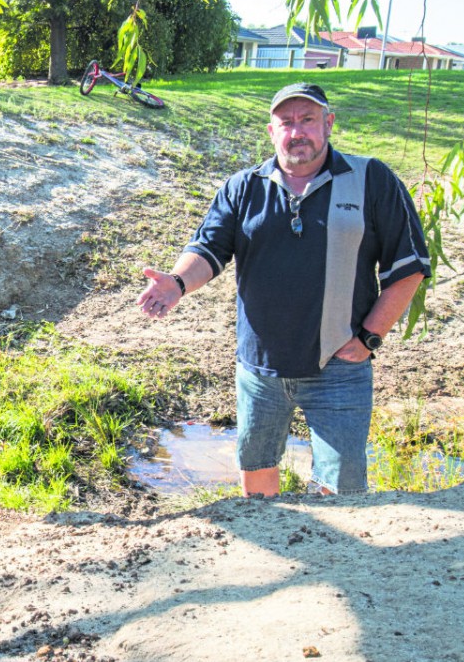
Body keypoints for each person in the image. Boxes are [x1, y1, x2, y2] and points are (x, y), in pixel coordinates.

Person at [137, 82, 430, 496]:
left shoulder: (371, 179)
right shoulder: (244, 186)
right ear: (272, 132)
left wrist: (369, 337)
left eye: (307, 119)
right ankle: (266, 537)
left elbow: (409, 267)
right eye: (286, 122)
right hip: (260, 369)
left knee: (343, 487)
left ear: (328, 123)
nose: (297, 131)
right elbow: (208, 249)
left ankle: (330, 539)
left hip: (339, 367)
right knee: (257, 474)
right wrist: (178, 282)